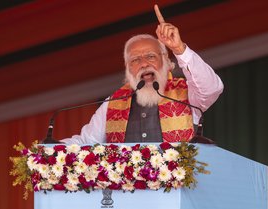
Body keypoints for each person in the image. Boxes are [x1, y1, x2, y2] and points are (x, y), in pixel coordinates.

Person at [61, 5, 223, 144]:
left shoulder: (185, 93)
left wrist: (179, 49)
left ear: (166, 60)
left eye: (151, 56)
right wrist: (43, 150)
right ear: (128, 68)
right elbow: (86, 142)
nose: (144, 64)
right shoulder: (114, 102)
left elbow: (211, 89)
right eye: (135, 60)